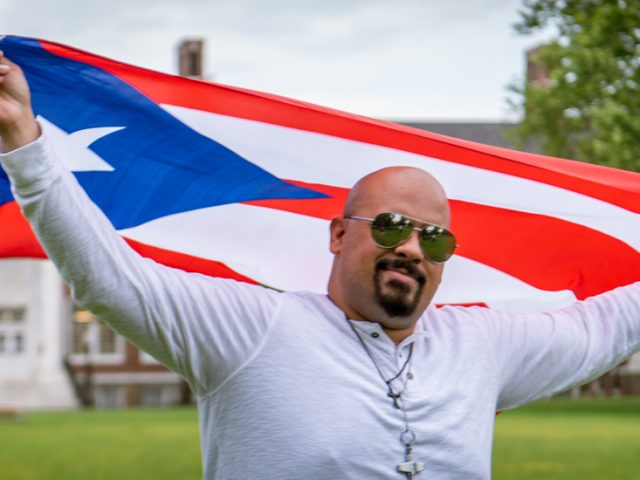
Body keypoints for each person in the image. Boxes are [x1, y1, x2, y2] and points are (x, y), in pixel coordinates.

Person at [0, 51, 638, 480]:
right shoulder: (252, 330)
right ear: (338, 234)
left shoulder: (482, 344)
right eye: (390, 226)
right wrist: (27, 145)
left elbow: (608, 325)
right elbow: (111, 281)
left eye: (435, 239)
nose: (413, 249)